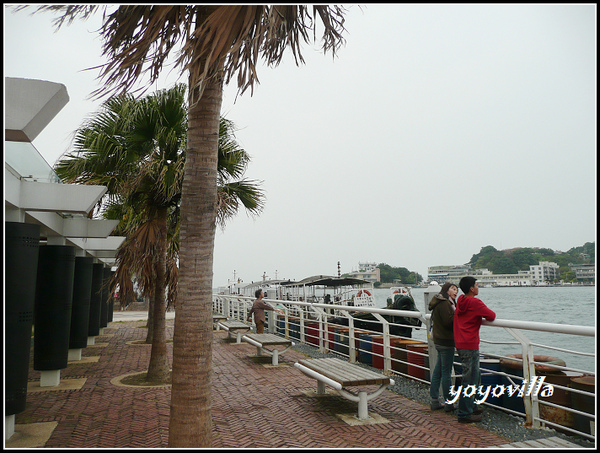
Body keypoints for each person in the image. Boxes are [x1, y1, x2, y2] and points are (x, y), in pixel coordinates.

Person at [454, 276, 496, 423]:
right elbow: (491, 316)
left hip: (460, 342)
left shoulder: (461, 300)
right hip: (470, 344)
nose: (478, 287)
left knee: (473, 376)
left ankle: (471, 406)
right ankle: (464, 413)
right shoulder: (474, 302)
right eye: (477, 285)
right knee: (470, 380)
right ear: (472, 288)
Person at [429, 282, 458, 412]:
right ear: (446, 290)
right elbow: (448, 322)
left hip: (438, 340)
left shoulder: (438, 301)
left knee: (438, 371)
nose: (456, 291)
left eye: (457, 289)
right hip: (446, 341)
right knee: (446, 373)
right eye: (453, 289)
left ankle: (434, 400)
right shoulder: (446, 303)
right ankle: (449, 402)